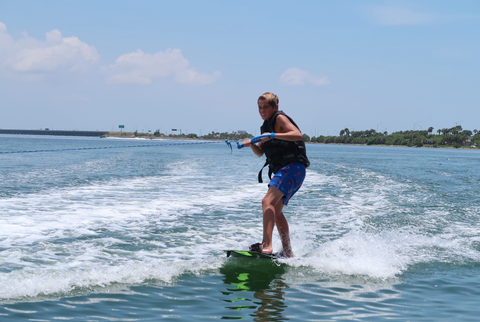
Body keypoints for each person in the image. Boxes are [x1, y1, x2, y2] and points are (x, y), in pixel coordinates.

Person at [242, 92, 309, 258]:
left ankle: (267, 245)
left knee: (267, 201)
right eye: (259, 107)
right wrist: (251, 143)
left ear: (275, 107)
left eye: (266, 107)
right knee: (276, 211)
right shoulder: (265, 127)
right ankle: (287, 251)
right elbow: (259, 152)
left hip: (293, 168)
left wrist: (273, 135)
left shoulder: (279, 118)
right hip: (289, 171)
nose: (262, 110)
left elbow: (297, 134)